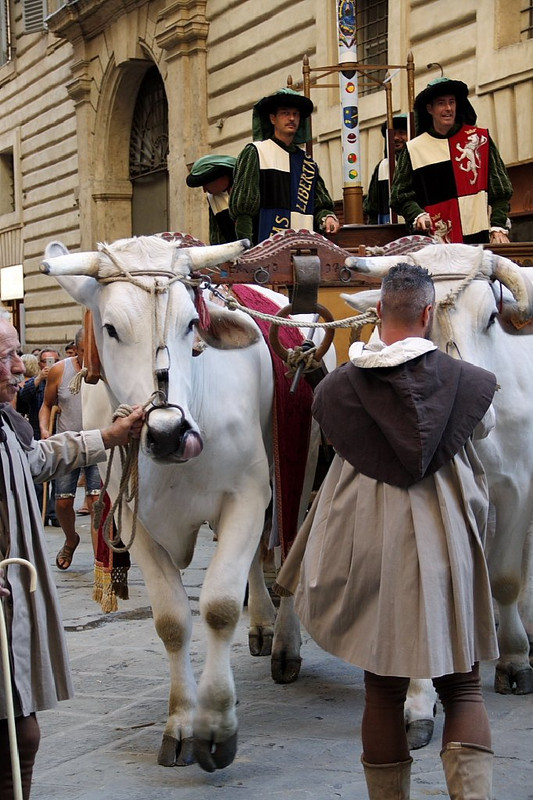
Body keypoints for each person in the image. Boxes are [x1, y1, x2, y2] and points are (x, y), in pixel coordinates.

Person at [275, 263, 498, 800]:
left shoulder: (337, 388)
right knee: (462, 686)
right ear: (428, 314)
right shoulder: (467, 381)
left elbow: (335, 435)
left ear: (378, 314)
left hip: (370, 542)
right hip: (445, 536)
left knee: (381, 689)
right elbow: (482, 429)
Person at [0, 316, 143, 800]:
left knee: (22, 738)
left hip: (10, 605)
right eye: (6, 357)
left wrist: (109, 436)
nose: (20, 367)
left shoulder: (6, 422)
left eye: (16, 353)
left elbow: (38, 458)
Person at [390, 76, 512, 244]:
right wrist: (417, 214)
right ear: (429, 108)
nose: (448, 108)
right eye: (441, 103)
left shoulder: (480, 139)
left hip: (482, 241)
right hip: (439, 245)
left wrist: (498, 227)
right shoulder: (414, 149)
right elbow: (399, 196)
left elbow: (501, 191)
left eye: (452, 102)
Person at [229, 87, 340, 244]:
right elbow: (244, 209)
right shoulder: (256, 152)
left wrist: (327, 217)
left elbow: (320, 204)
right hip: (264, 249)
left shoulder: (307, 163)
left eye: (296, 114)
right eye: (285, 113)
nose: (292, 118)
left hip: (303, 248)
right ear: (273, 119)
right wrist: (247, 249)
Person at [38, 328, 101, 569]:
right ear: (75, 350)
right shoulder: (60, 370)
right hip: (67, 443)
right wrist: (45, 430)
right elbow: (46, 404)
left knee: (97, 501)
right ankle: (71, 539)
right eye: (85, 351)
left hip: (99, 440)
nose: (89, 356)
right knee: (63, 503)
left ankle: (100, 556)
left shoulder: (104, 368)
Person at [17, 348, 62, 526]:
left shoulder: (62, 380)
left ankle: (54, 513)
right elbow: (22, 399)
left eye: (55, 360)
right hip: (36, 434)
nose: (50, 365)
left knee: (58, 477)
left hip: (58, 433)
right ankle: (38, 514)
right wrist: (39, 379)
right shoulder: (36, 383)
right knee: (38, 479)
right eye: (46, 361)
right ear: (40, 364)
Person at [363, 114, 408, 224]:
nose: (396, 138)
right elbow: (372, 208)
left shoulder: (419, 161)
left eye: (402, 133)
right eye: (393, 134)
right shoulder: (382, 167)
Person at [186, 154, 237, 244]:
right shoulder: (214, 198)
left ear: (220, 177)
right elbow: (216, 237)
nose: (204, 190)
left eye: (205, 184)